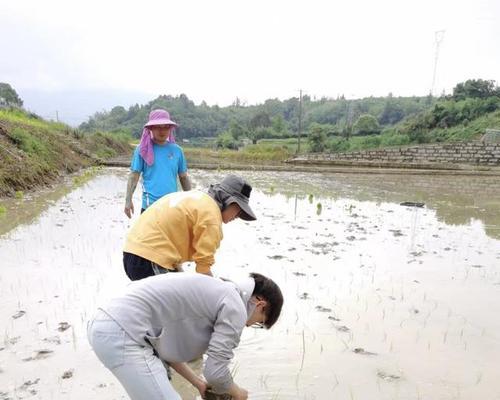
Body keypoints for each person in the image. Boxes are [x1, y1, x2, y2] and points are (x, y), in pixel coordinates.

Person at [87, 272, 284, 400]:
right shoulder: (234, 306)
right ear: (260, 304)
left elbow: (165, 349)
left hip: (107, 326)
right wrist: (238, 393)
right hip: (124, 334)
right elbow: (216, 373)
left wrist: (198, 383)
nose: (249, 325)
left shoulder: (218, 291)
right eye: (259, 322)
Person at [123, 174, 256, 280]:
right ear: (228, 200)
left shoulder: (197, 198)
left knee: (175, 301)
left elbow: (170, 242)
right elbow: (203, 270)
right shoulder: (211, 218)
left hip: (134, 252)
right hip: (150, 259)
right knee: (177, 309)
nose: (238, 216)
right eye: (238, 210)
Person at [124, 109, 192, 218]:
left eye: (166, 127)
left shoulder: (177, 150)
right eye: (158, 127)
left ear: (170, 129)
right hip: (149, 206)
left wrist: (191, 200)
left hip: (171, 206)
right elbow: (134, 176)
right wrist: (128, 200)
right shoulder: (143, 150)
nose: (162, 131)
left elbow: (183, 177)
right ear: (150, 128)